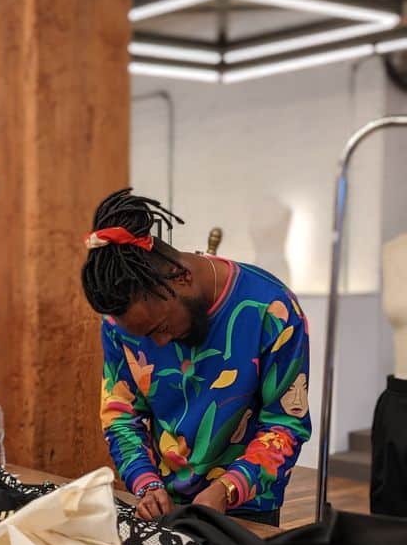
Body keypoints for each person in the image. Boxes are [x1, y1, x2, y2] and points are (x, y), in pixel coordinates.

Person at [81, 189, 311, 525]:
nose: (159, 342)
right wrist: (146, 483)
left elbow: (286, 423)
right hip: (162, 505)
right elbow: (121, 414)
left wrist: (227, 489)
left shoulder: (272, 310)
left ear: (182, 277)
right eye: (146, 336)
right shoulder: (119, 324)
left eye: (161, 327)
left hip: (248, 509)